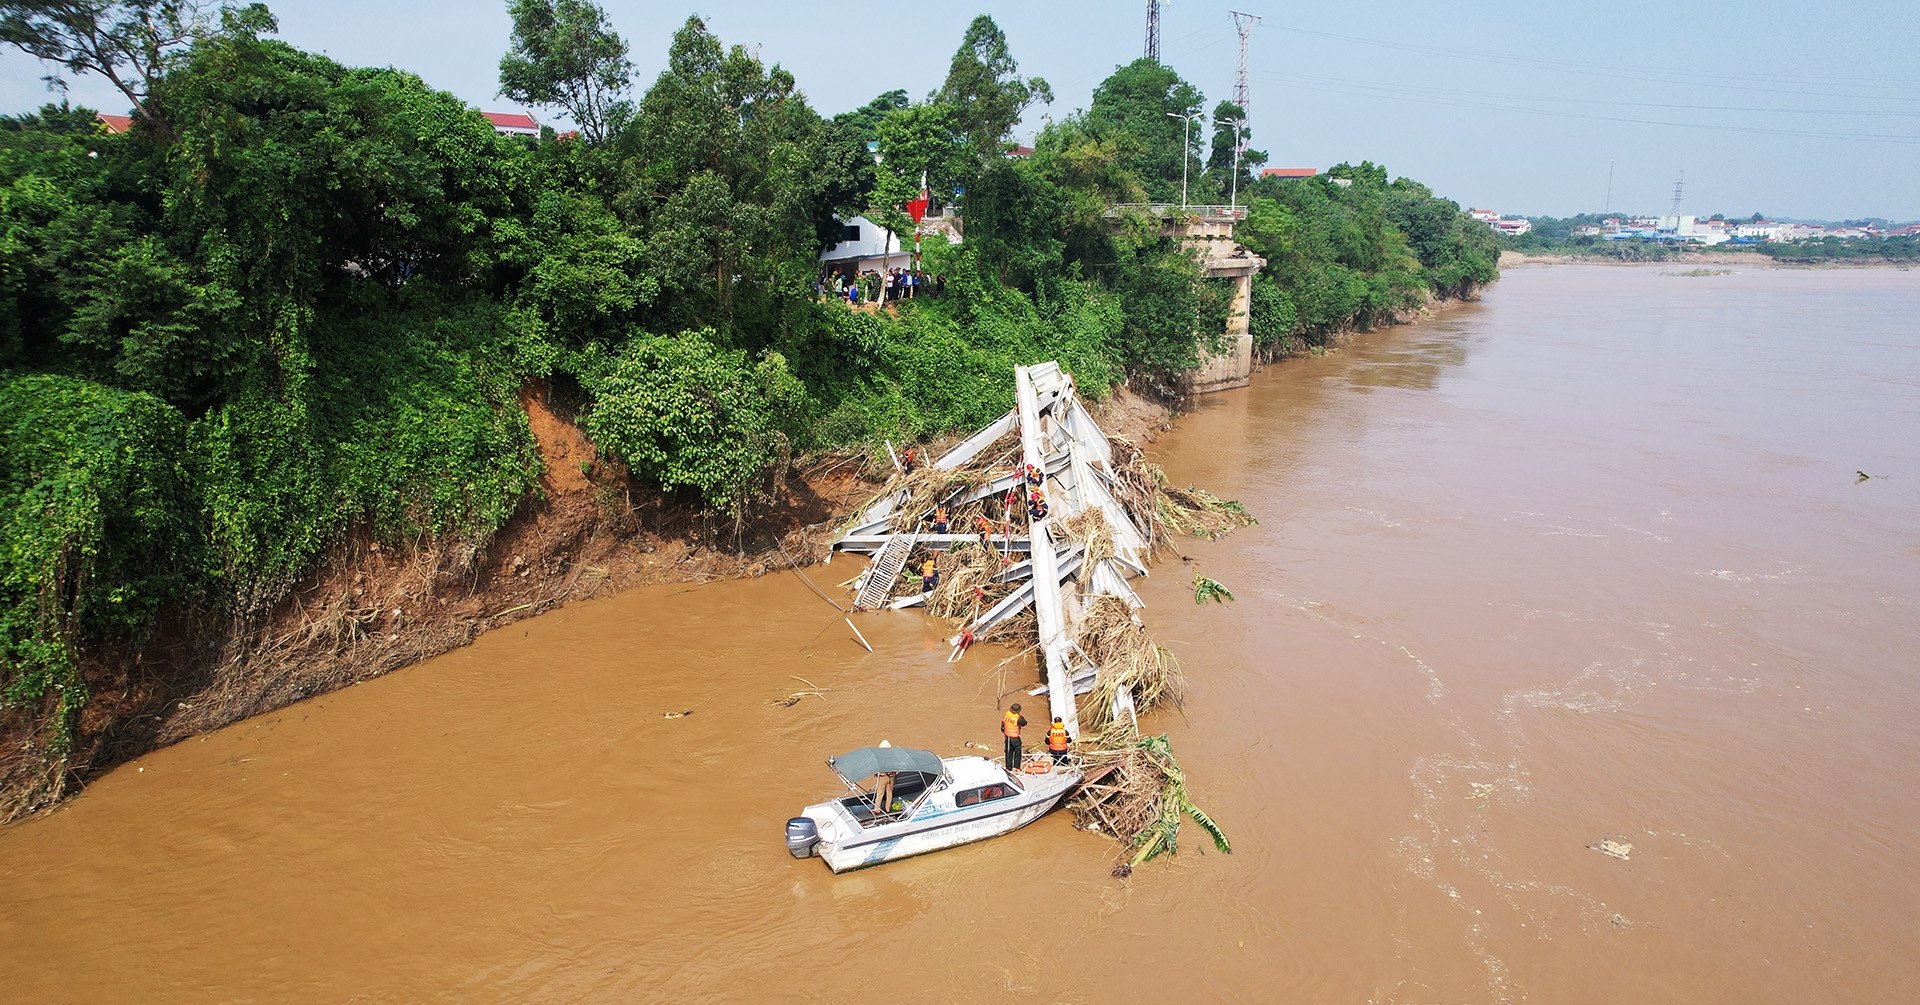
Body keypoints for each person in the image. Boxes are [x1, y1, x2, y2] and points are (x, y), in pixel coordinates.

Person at [1001, 703, 1028, 771]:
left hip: (1007, 737)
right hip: (1015, 738)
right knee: (1017, 752)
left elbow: (1002, 726)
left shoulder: (1006, 715)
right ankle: (1016, 767)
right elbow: (1024, 723)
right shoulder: (1018, 718)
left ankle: (1008, 767)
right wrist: (1021, 717)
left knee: (1008, 752)